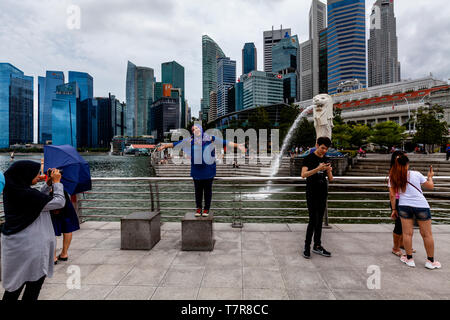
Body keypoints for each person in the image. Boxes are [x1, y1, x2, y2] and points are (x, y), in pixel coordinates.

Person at [1, 161, 65, 301]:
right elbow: (59, 202)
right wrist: (57, 183)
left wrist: (47, 185)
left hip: (18, 247)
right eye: (36, 174)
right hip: (31, 250)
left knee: (14, 287)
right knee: (32, 286)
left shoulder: (14, 190)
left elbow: (37, 200)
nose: (39, 176)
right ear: (24, 175)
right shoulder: (26, 194)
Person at [158, 124, 245, 217]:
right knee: (198, 191)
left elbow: (225, 142)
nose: (195, 130)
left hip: (208, 170)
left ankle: (206, 209)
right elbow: (176, 144)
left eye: (196, 128)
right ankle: (198, 208)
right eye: (193, 129)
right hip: (196, 170)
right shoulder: (190, 140)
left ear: (201, 129)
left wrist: (238, 145)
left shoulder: (210, 138)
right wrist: (165, 146)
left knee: (208, 191)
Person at [389, 154, 441, 269]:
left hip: (404, 206)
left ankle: (409, 259)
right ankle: (430, 261)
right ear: (407, 163)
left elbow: (393, 195)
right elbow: (430, 186)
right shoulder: (416, 174)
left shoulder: (393, 176)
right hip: (421, 205)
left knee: (407, 234)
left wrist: (393, 209)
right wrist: (430, 176)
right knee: (427, 234)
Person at [301, 137, 334, 259]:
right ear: (317, 145)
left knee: (319, 220)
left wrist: (329, 170)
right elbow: (303, 175)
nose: (324, 151)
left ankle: (317, 245)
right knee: (312, 221)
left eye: (326, 149)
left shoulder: (326, 159)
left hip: (322, 193)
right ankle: (306, 247)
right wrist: (317, 169)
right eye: (322, 148)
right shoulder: (308, 158)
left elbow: (330, 179)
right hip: (311, 193)